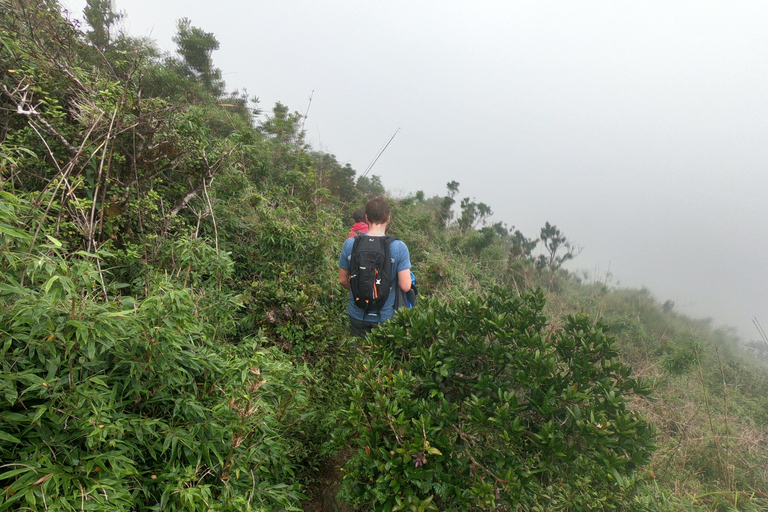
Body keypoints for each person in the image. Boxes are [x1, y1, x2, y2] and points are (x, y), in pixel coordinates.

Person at [338, 197, 412, 338]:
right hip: (385, 317)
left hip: (357, 314)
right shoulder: (399, 247)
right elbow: (405, 285)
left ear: (366, 218)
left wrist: (359, 288)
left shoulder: (351, 243)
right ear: (388, 219)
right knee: (382, 358)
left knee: (358, 355)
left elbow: (342, 280)